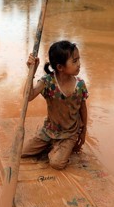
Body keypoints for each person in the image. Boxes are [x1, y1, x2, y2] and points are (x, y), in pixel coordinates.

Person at [22, 40, 89, 170]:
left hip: (69, 133)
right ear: (60, 67)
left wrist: (83, 132)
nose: (79, 64)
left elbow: (83, 109)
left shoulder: (80, 85)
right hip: (49, 130)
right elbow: (28, 97)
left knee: (57, 164)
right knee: (23, 152)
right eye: (74, 61)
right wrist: (32, 71)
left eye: (78, 60)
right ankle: (53, 144)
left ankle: (61, 146)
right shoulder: (48, 81)